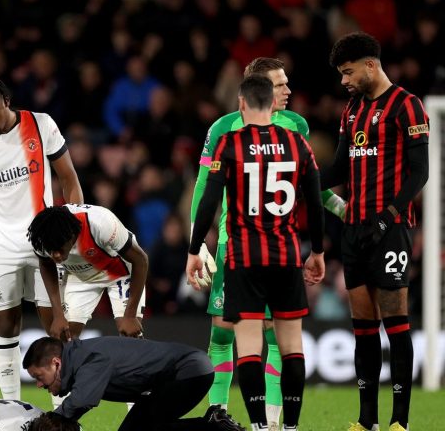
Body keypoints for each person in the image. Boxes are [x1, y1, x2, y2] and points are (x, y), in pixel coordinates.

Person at [188, 56, 345, 429]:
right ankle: (220, 413)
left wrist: (193, 248)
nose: (288, 91)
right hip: (264, 247)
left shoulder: (286, 127)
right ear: (257, 89)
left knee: (262, 339)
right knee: (226, 334)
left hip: (244, 250)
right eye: (280, 84)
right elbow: (202, 188)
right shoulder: (224, 129)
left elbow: (209, 191)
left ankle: (268, 422)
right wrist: (203, 242)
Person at [321, 32, 429, 431]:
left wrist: (387, 216)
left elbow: (421, 172)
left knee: (396, 322)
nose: (344, 81)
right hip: (354, 229)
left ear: (370, 65)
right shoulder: (351, 111)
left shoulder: (407, 105)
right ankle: (367, 421)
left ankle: (399, 421)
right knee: (363, 326)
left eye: (348, 72)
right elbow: (338, 170)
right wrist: (302, 178)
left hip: (392, 228)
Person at [0, 75, 83, 402]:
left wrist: (71, 228)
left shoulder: (40, 125)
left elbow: (69, 178)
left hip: (43, 244)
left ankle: (62, 409)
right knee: (4, 327)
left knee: (56, 327)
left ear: (6, 100)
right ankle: (10, 407)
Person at [22, 336, 244, 431]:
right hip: (176, 376)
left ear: (56, 363)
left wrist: (49, 422)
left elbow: (81, 400)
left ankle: (213, 424)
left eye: (39, 377)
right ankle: (212, 424)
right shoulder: (80, 356)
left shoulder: (87, 358)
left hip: (187, 372)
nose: (40, 385)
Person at [27, 204, 148, 339]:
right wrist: (58, 315)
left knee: (130, 336)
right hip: (80, 275)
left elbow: (141, 260)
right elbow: (46, 264)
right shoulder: (42, 235)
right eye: (51, 251)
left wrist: (130, 315)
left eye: (59, 249)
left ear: (72, 236)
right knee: (64, 337)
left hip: (118, 273)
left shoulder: (101, 224)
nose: (56, 256)